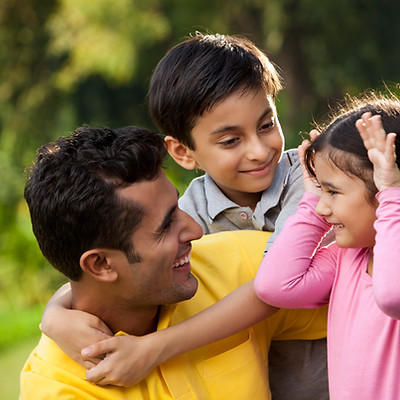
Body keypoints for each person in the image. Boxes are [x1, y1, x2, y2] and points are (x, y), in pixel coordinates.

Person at [20, 125, 325, 399]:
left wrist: (54, 311)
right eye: (166, 226)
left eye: (177, 207)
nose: (194, 230)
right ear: (101, 265)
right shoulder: (55, 389)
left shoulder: (235, 263)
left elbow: (363, 275)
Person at [149, 32, 328, 399]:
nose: (260, 151)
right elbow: (135, 270)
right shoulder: (190, 214)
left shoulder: (312, 177)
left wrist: (159, 346)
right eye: (231, 141)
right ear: (183, 152)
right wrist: (58, 315)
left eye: (266, 124)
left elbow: (277, 279)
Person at [255, 93, 400, 399]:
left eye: (333, 192)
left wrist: (392, 197)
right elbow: (275, 285)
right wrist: (309, 202)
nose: (322, 207)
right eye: (321, 190)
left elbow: (392, 296)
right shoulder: (346, 257)